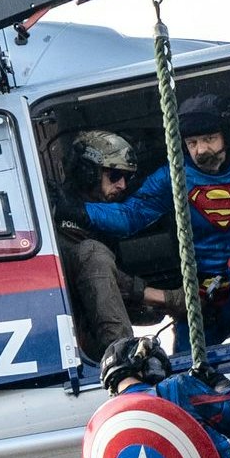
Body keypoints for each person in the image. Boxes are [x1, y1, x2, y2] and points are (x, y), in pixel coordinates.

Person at [91, 92, 230, 341]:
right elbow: (129, 216)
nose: (201, 150)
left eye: (209, 139)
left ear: (228, 135)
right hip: (205, 298)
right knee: (186, 362)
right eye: (192, 143)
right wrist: (75, 211)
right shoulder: (173, 175)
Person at [57, 129, 174, 372]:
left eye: (126, 178)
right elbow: (92, 268)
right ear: (88, 173)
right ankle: (126, 368)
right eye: (115, 175)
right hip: (81, 347)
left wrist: (162, 306)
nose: (122, 185)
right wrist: (163, 297)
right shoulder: (59, 215)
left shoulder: (100, 220)